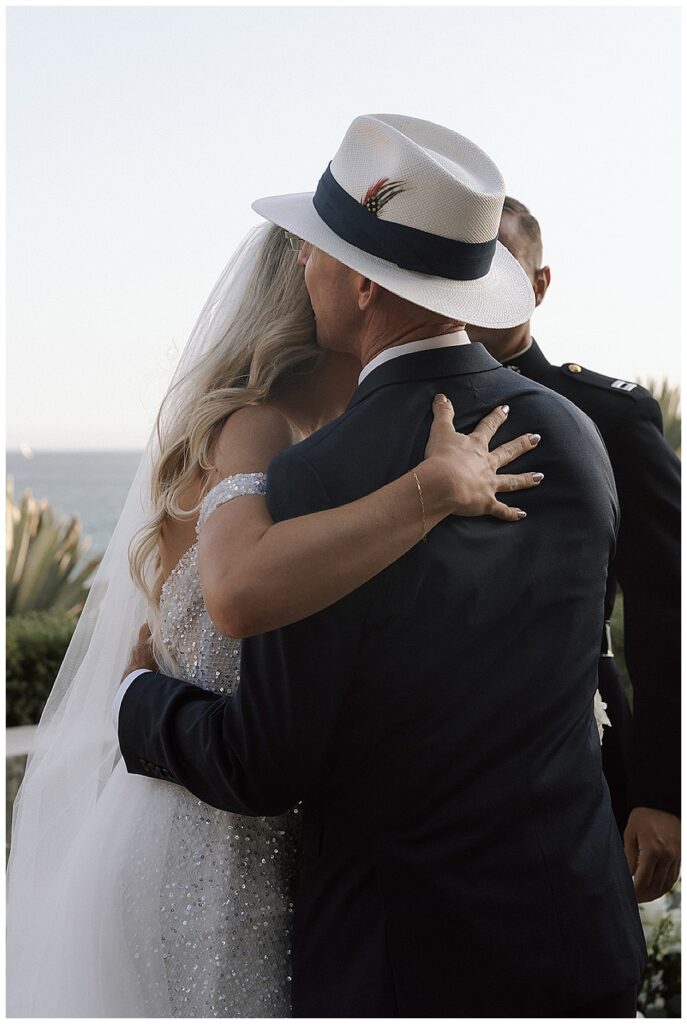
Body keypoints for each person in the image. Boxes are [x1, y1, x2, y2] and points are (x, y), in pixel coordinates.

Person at [116, 114, 647, 1017]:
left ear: (363, 282)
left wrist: (142, 704)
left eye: (319, 254)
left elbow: (265, 763)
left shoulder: (317, 477)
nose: (306, 270)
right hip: (575, 932)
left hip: (401, 963)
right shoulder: (573, 433)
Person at [6, 221, 542, 1016]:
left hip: (288, 850)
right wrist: (434, 490)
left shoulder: (346, 440)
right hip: (206, 854)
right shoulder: (260, 425)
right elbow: (239, 592)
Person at [466, 196, 681, 902]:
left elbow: (664, 610)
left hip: (580, 754)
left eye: (501, 258)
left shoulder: (611, 419)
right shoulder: (398, 409)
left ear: (539, 282)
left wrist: (661, 791)